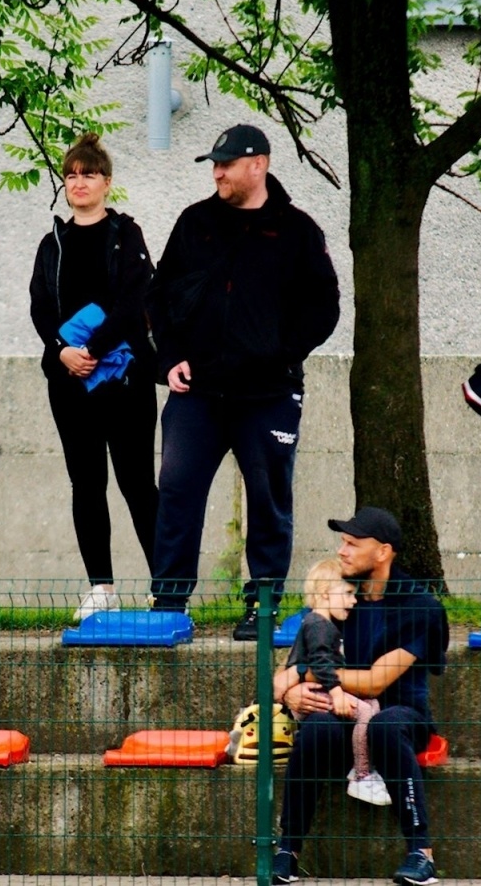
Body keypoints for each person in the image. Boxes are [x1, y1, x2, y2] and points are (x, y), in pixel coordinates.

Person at [146, 124, 340, 639]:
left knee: (269, 496)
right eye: (214, 164)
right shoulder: (195, 222)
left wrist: (278, 353)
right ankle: (169, 603)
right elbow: (159, 296)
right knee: (178, 490)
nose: (217, 173)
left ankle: (263, 603)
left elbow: (324, 308)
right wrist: (169, 358)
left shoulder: (297, 230)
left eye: (227, 164)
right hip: (198, 391)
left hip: (269, 394)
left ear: (259, 164)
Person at [272, 507, 448, 886]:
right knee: (316, 727)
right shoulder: (336, 598)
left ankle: (422, 853)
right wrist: (294, 694)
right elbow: (281, 677)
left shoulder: (419, 607)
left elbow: (375, 682)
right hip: (341, 716)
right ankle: (287, 850)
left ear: (382, 553)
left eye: (353, 543)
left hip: (402, 715)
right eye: (342, 542)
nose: (343, 550)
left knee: (385, 725)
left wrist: (308, 675)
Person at [28, 133, 158, 620]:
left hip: (124, 380)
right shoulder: (52, 243)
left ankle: (165, 586)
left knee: (137, 483)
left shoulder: (126, 233)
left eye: (88, 174)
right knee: (86, 482)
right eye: (71, 175)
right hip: (69, 382)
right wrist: (63, 353)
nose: (78, 183)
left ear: (107, 182)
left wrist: (91, 349)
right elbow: (40, 307)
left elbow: (135, 301)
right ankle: (100, 588)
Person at [276, 558, 389, 806]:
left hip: (318, 689)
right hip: (317, 693)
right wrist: (337, 693)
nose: (354, 600)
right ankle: (362, 775)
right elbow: (321, 664)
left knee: (372, 705)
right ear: (326, 594)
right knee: (365, 712)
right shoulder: (319, 625)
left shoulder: (318, 623)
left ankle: (362, 766)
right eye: (348, 594)